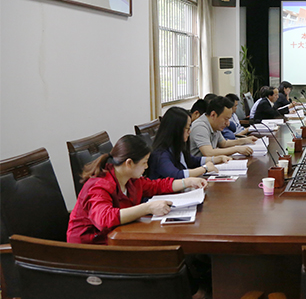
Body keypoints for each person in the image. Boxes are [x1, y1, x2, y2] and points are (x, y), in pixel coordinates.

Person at [67, 135, 207, 245]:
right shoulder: (99, 185)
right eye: (144, 162)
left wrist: (186, 182)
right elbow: (105, 219)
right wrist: (147, 208)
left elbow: (156, 186)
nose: (146, 167)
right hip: (90, 248)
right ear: (129, 163)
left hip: (118, 236)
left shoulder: (130, 180)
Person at [149, 107, 218, 179]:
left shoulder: (176, 146)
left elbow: (191, 160)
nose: (189, 132)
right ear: (176, 130)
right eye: (187, 128)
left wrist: (216, 159)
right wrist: (205, 168)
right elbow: (176, 175)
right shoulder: (160, 154)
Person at [190, 96, 255, 159]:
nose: (228, 124)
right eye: (226, 119)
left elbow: (223, 143)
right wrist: (236, 149)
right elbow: (209, 153)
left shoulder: (215, 124)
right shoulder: (200, 126)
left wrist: (244, 140)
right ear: (213, 115)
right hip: (200, 165)